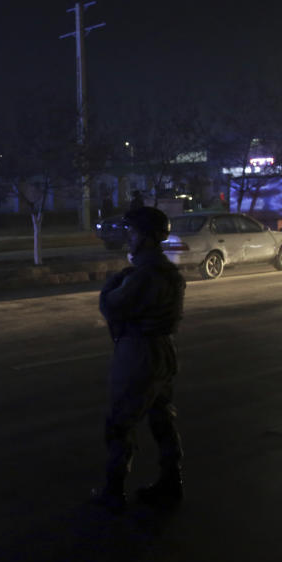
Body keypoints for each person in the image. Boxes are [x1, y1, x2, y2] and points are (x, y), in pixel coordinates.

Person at [93, 206, 186, 513]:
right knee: (162, 419)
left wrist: (111, 285)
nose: (129, 238)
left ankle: (114, 489)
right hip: (163, 350)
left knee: (121, 423)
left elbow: (112, 307)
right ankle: (172, 480)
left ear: (146, 238)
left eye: (132, 233)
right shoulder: (168, 271)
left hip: (139, 354)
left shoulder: (142, 275)